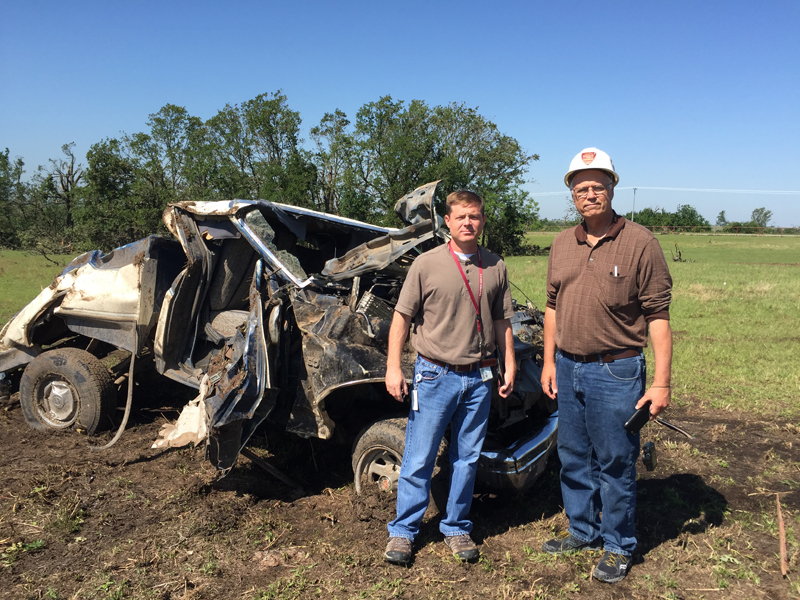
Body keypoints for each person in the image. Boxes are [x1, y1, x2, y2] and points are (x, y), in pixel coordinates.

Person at [540, 148, 673, 583]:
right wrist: (548, 361)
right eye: (581, 188)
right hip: (567, 365)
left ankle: (618, 545)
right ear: (572, 195)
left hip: (616, 371)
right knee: (573, 455)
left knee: (616, 460)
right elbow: (552, 307)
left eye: (598, 186)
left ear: (613, 188)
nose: (590, 194)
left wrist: (662, 383)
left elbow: (657, 315)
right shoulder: (562, 243)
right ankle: (583, 528)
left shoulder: (641, 243)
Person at [383, 190, 516, 565]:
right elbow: (401, 318)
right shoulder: (426, 265)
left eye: (474, 217)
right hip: (434, 375)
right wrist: (394, 367)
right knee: (419, 457)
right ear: (447, 221)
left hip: (480, 378)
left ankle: (457, 527)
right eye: (461, 217)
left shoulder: (495, 265)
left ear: (483, 220)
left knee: (466, 458)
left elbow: (504, 321)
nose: (468, 223)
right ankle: (403, 532)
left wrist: (510, 363)